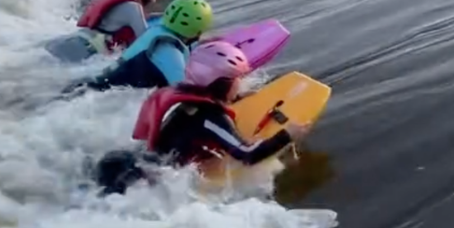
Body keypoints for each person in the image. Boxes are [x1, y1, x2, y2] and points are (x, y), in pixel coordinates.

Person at [92, 42, 311, 195]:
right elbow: (247, 155)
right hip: (138, 182)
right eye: (238, 79)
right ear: (222, 83)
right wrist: (287, 135)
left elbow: (192, 123)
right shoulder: (210, 117)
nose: (241, 84)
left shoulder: (185, 95)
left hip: (124, 162)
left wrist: (234, 100)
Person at [80, 0, 213, 91]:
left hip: (92, 86)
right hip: (96, 96)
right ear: (197, 31)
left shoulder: (157, 30)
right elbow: (183, 90)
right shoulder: (168, 51)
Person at [46, 0, 165, 62]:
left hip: (75, 40)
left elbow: (121, 19)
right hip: (84, 50)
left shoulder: (123, 2)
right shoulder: (133, 7)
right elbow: (144, 39)